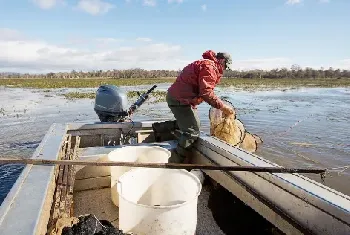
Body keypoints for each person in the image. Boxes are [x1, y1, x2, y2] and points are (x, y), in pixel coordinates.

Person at [166, 50, 234, 163]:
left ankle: (158, 129)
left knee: (189, 124)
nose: (225, 69)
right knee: (192, 131)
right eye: (226, 66)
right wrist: (223, 107)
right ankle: (175, 162)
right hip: (180, 100)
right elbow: (206, 93)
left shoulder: (206, 64)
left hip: (178, 98)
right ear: (222, 61)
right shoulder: (210, 67)